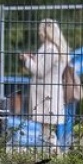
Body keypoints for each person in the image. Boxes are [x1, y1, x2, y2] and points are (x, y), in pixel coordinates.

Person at [19, 19, 69, 148]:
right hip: (46, 94)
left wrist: (26, 60)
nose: (38, 32)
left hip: (48, 95)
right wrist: (33, 59)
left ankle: (56, 156)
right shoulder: (47, 48)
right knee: (46, 130)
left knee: (48, 131)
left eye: (40, 28)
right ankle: (54, 156)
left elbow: (40, 71)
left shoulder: (51, 49)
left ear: (45, 31)